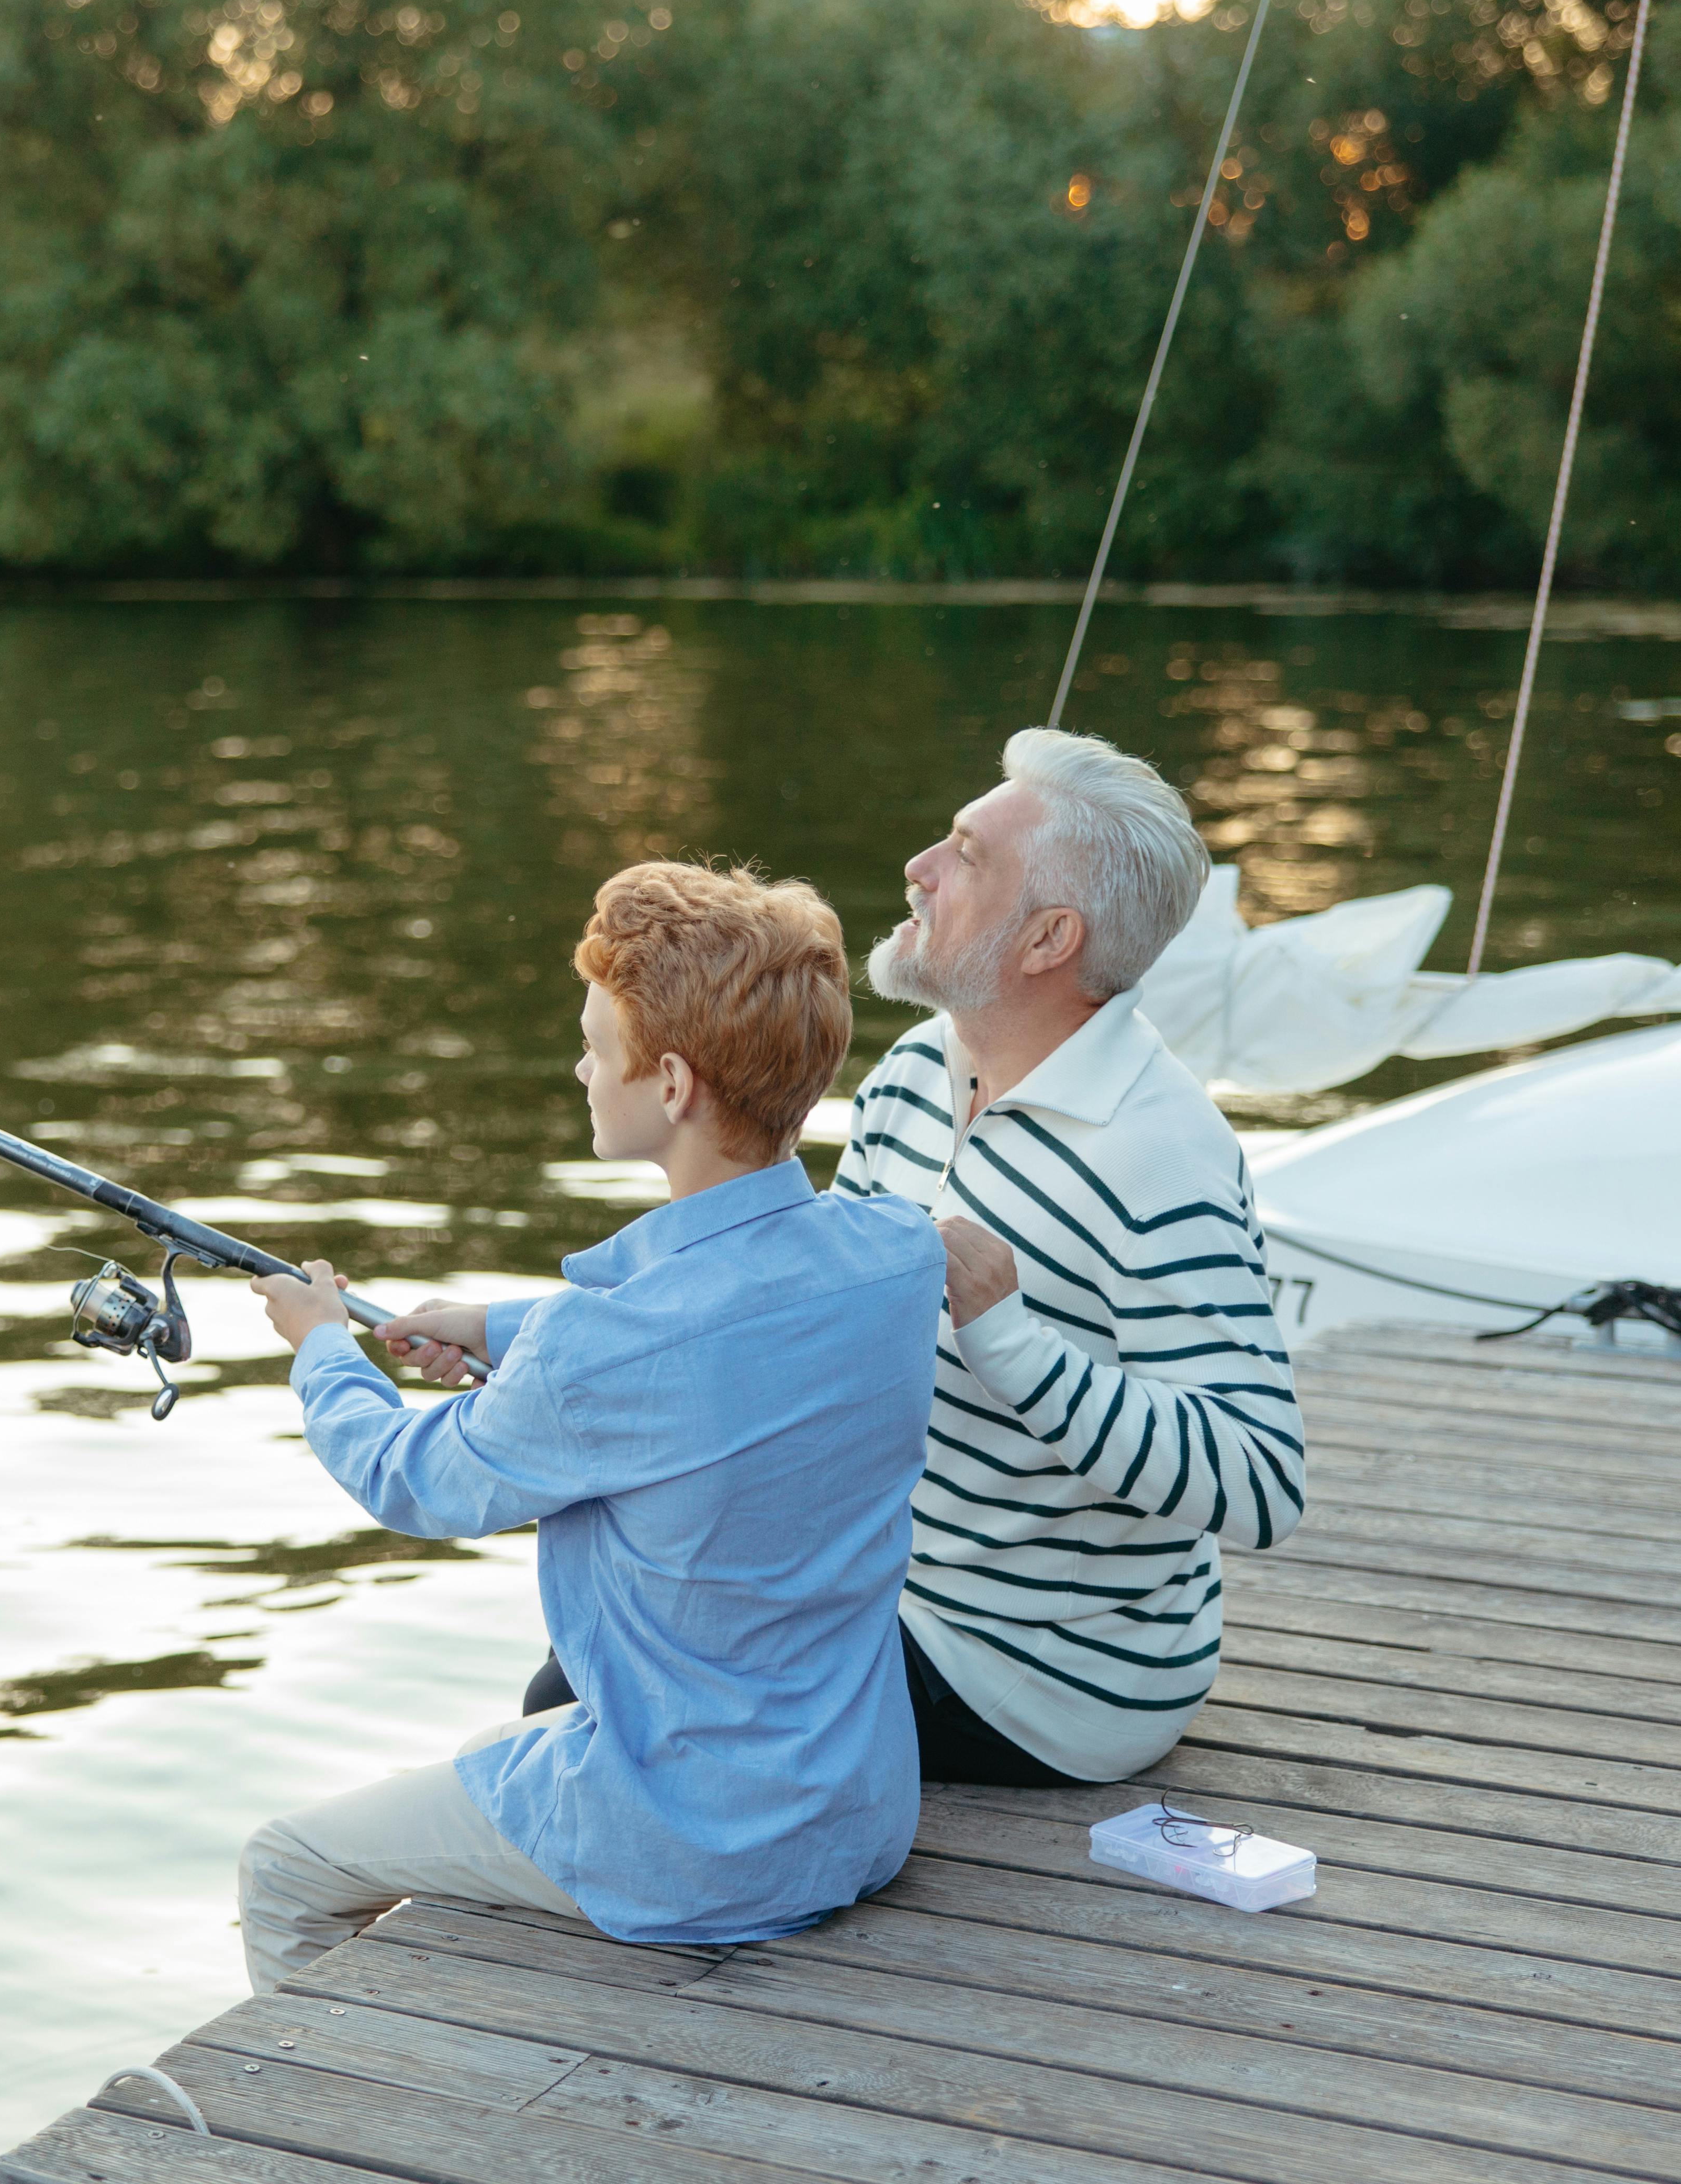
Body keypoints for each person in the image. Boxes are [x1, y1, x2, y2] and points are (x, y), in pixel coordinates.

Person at [236, 862, 940, 1991]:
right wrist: (498, 1326)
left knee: (284, 1862)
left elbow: (410, 1476)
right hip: (858, 1812)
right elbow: (726, 1321)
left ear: (670, 1083)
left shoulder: (603, 1351)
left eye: (591, 1041)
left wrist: (321, 1342)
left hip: (695, 1850)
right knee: (482, 1759)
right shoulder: (898, 1255)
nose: (577, 1064)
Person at [828, 727, 1305, 1785]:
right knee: (594, 1656)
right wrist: (545, 1344)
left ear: (1047, 940)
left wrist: (1010, 1340)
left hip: (1049, 1674)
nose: (920, 868)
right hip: (893, 1592)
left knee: (619, 1697)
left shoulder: (1159, 1151)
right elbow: (812, 1318)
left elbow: (1262, 1481)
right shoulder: (918, 1067)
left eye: (966, 854)